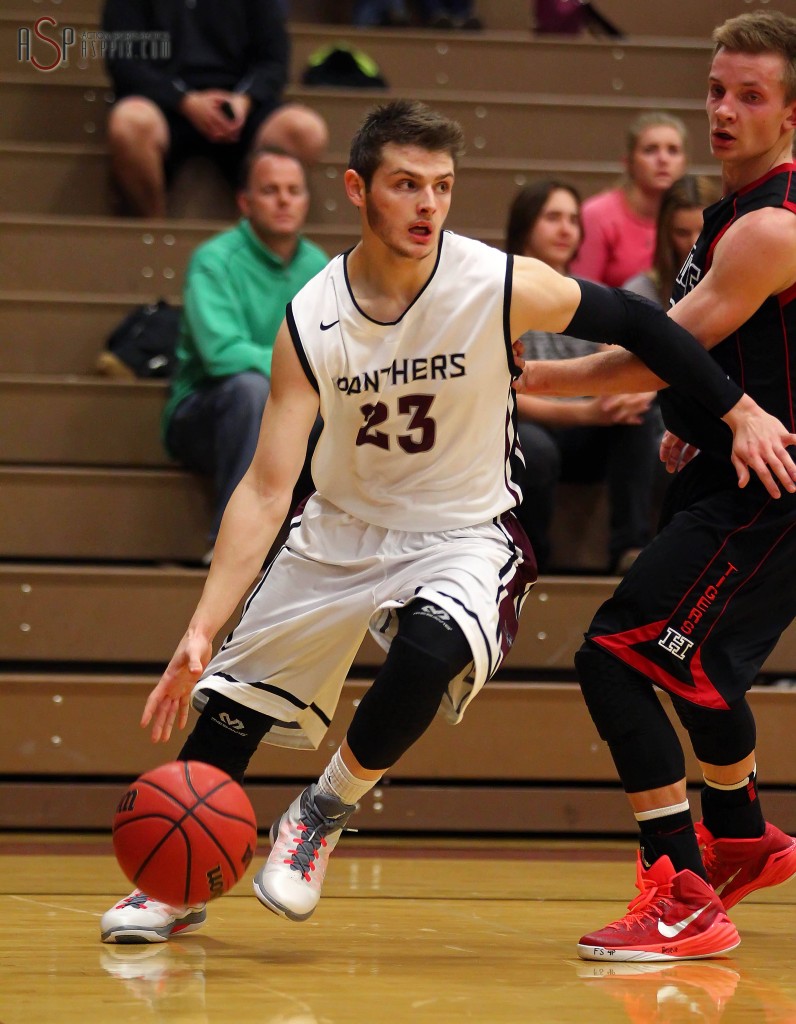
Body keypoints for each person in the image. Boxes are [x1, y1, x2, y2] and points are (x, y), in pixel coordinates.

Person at [99, 98, 796, 945]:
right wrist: (203, 626)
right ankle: (173, 885)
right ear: (359, 190)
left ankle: (321, 811)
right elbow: (265, 485)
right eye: (405, 185)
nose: (428, 204)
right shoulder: (309, 319)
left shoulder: (495, 280)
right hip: (340, 527)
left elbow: (643, 323)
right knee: (229, 714)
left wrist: (735, 411)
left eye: (442, 186)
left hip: (465, 529)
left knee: (433, 647)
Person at [516, 10, 796, 961]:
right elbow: (705, 358)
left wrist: (541, 377)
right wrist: (693, 425)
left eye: (750, 96)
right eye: (718, 88)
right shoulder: (727, 213)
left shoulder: (768, 227)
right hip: (736, 474)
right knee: (698, 669)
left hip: (770, 495)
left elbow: (662, 347)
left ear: (792, 113)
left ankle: (681, 892)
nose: (723, 109)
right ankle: (745, 838)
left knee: (616, 656)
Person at [163, 146, 328, 560]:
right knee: (251, 390)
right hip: (207, 412)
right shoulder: (214, 260)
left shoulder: (320, 266)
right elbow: (222, 354)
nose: (285, 199)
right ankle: (230, 548)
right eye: (270, 190)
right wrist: (301, 373)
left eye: (294, 190)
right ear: (245, 202)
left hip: (292, 409)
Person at [506, 179, 661, 573]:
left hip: (585, 430)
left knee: (642, 416)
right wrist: (588, 413)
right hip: (527, 426)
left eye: (573, 220)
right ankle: (532, 556)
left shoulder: (588, 293)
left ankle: (631, 549)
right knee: (534, 451)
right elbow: (501, 393)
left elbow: (615, 358)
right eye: (552, 217)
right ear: (526, 226)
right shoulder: (499, 291)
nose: (566, 229)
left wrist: (624, 394)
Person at [102, 0, 329, 218]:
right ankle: (152, 228)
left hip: (239, 106)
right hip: (163, 104)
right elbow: (124, 60)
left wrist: (244, 100)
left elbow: (274, 61)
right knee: (129, 123)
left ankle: (254, 235)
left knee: (306, 130)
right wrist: (185, 100)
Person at [570, 111, 688, 287]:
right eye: (650, 150)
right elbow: (582, 293)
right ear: (628, 162)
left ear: (684, 162)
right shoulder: (597, 214)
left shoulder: (694, 215)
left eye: (673, 151)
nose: (663, 159)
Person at [624, 174, 722, 307]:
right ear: (666, 234)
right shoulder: (640, 292)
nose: (694, 243)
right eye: (682, 233)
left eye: (704, 232)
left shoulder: (742, 284)